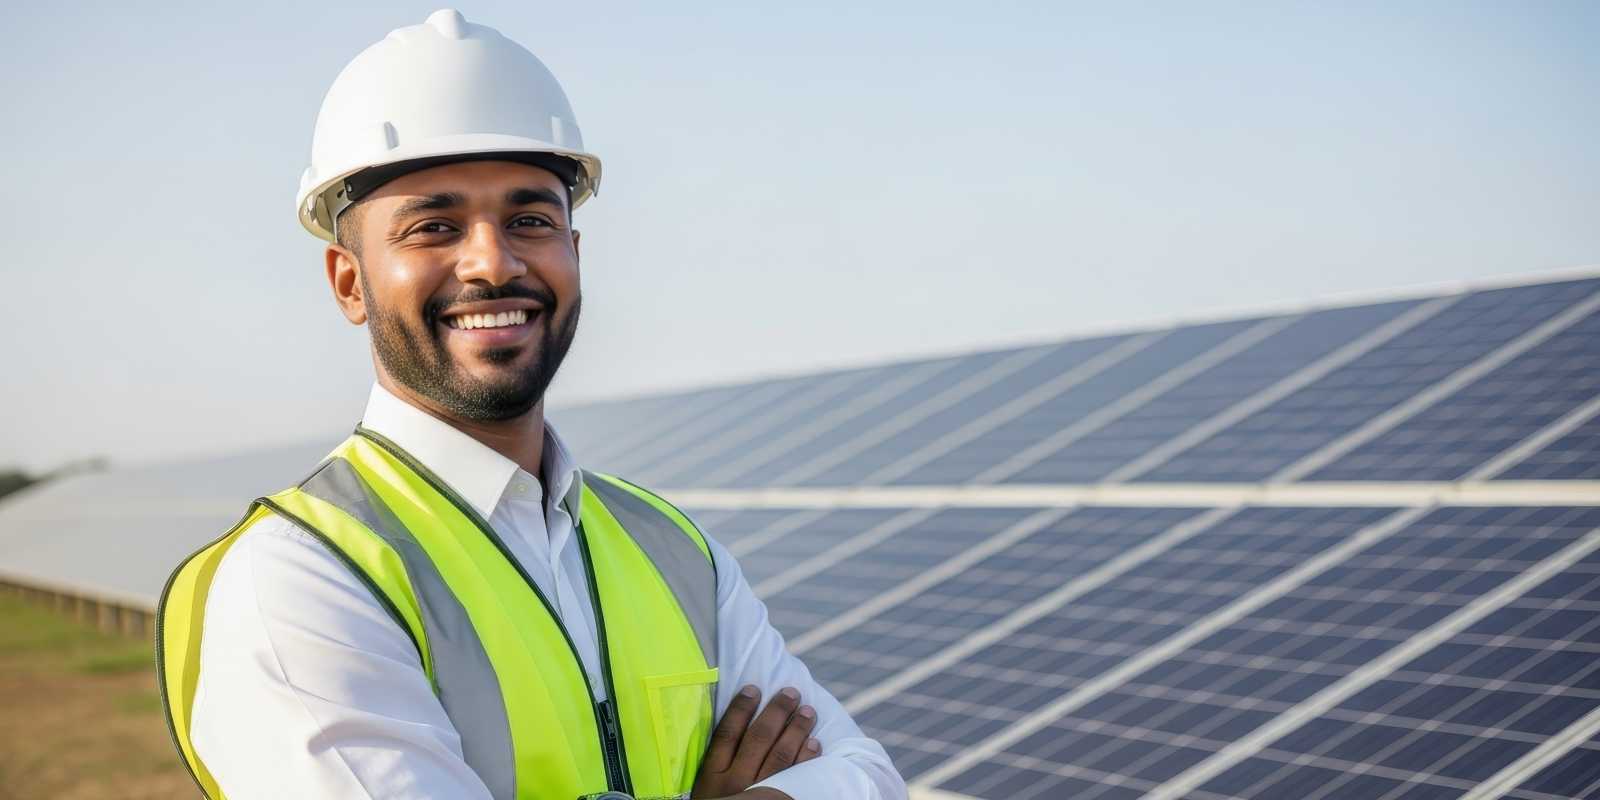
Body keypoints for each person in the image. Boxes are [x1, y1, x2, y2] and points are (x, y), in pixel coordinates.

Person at [155, 9, 907, 800]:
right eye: (433, 226)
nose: (492, 262)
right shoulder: (296, 580)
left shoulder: (676, 552)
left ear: (574, 254)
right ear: (349, 281)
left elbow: (869, 776)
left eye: (531, 220)